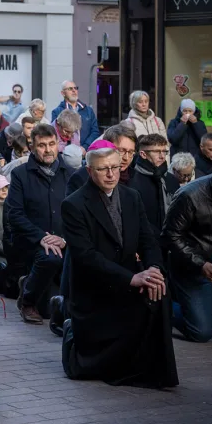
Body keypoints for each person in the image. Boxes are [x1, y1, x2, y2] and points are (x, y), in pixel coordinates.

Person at [62, 141, 178, 388]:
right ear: (90, 170)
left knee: (159, 291)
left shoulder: (131, 197)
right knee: (98, 367)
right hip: (95, 292)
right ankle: (73, 339)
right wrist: (131, 278)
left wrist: (154, 269)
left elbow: (148, 240)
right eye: (103, 169)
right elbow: (86, 257)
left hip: (126, 282)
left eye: (115, 167)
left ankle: (153, 370)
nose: (111, 174)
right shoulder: (74, 204)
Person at [8, 123, 74, 324]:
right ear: (32, 146)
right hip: (32, 240)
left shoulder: (71, 174)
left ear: (58, 144)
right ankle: (27, 301)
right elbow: (15, 214)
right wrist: (41, 237)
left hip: (64, 240)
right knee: (50, 258)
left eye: (52, 144)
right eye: (42, 145)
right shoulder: (20, 175)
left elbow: (79, 214)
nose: (48, 150)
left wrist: (64, 239)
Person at [162, 170, 212, 343]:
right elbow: (170, 236)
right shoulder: (190, 195)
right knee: (201, 332)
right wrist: (200, 264)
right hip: (193, 263)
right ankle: (160, 306)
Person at [128, 134, 178, 237]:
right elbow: (135, 220)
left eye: (164, 151)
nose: (162, 156)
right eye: (156, 151)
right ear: (143, 154)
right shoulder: (132, 181)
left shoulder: (171, 179)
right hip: (146, 242)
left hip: (172, 239)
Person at [50, 80, 99, 150]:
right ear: (63, 93)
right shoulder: (57, 112)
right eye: (70, 89)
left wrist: (84, 147)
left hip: (87, 151)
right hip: (67, 154)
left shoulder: (88, 110)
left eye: (75, 88)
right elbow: (56, 135)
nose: (74, 90)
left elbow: (95, 132)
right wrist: (71, 151)